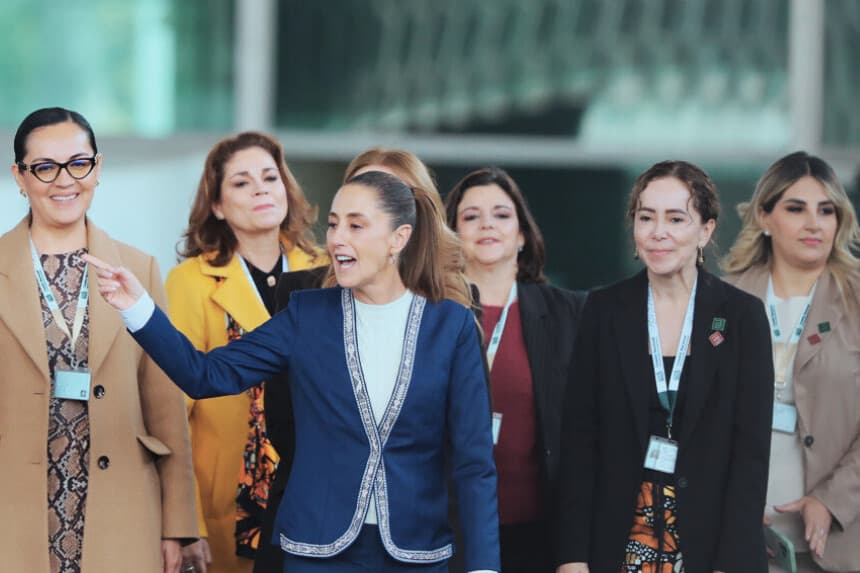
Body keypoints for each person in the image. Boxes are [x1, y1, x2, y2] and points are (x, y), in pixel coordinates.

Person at [85, 170, 501, 573]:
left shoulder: (452, 326)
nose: (337, 238)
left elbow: (474, 462)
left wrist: (484, 567)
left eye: (356, 226)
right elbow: (205, 375)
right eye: (334, 224)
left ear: (399, 238)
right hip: (316, 551)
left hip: (417, 552)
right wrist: (137, 308)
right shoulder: (306, 315)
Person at [255, 146, 471, 573]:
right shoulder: (303, 296)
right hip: (318, 518)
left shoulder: (454, 307)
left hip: (419, 527)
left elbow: (463, 438)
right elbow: (282, 417)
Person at [1, 107, 197, 573]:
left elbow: (166, 409)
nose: (64, 180)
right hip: (14, 507)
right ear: (20, 176)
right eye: (44, 167)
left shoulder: (139, 268)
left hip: (122, 508)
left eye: (78, 163)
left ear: (97, 167)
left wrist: (177, 525)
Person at [554, 160, 773, 573]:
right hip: (617, 539)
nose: (658, 232)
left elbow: (750, 456)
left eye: (675, 218)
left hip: (710, 544)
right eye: (646, 217)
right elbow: (579, 442)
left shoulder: (741, 316)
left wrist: (732, 562)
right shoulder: (603, 310)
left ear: (705, 231)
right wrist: (572, 556)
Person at [166, 132, 322, 573]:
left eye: (270, 177)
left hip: (317, 496)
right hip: (226, 506)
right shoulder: (189, 281)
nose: (260, 189)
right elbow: (171, 411)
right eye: (241, 182)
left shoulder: (328, 271)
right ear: (217, 205)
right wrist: (186, 522)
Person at [723, 151, 860, 573]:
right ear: (764, 217)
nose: (814, 223)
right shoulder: (722, 300)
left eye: (826, 211)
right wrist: (728, 502)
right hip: (736, 535)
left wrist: (831, 501)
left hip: (837, 540)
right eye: (796, 208)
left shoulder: (856, 301)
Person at [444, 167, 586, 573]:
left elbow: (584, 437)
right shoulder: (430, 313)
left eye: (502, 214)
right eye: (471, 216)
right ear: (452, 235)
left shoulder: (569, 315)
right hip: (447, 533)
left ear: (522, 234)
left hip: (538, 538)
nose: (487, 224)